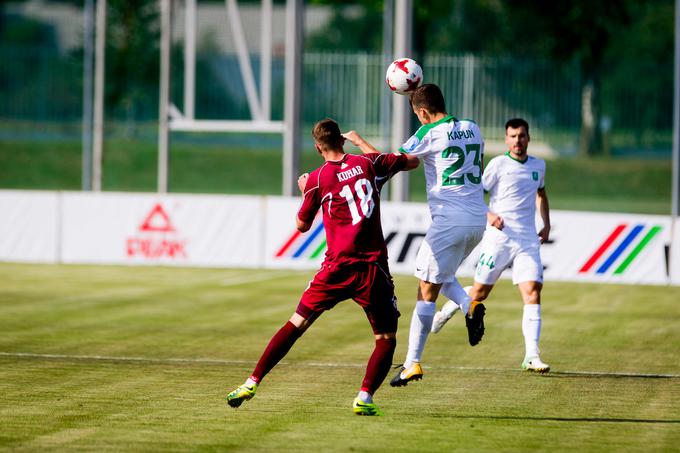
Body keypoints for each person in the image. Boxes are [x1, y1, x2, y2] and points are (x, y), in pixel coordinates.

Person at [226, 118, 419, 416]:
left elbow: (302, 226)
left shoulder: (316, 179)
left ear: (318, 147)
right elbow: (410, 162)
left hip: (337, 267)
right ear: (342, 140)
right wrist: (361, 142)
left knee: (296, 323)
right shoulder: (368, 165)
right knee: (385, 339)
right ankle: (364, 397)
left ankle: (252, 381)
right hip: (371, 269)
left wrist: (305, 191)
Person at [431, 118, 551, 373]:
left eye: (521, 135)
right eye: (512, 136)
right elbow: (475, 193)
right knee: (480, 294)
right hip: (499, 239)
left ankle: (532, 355)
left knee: (533, 292)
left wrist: (547, 224)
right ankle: (448, 309)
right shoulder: (497, 165)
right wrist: (489, 215)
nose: (517, 140)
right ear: (507, 139)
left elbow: (541, 193)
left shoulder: (538, 166)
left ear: (528, 138)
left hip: (528, 239)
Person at [388, 84, 488, 387]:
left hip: (449, 220)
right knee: (437, 273)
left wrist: (361, 143)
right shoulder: (473, 128)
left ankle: (412, 364)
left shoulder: (428, 133)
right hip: (477, 219)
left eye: (418, 116)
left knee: (426, 289)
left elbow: (395, 161)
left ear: (422, 112)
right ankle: (468, 305)